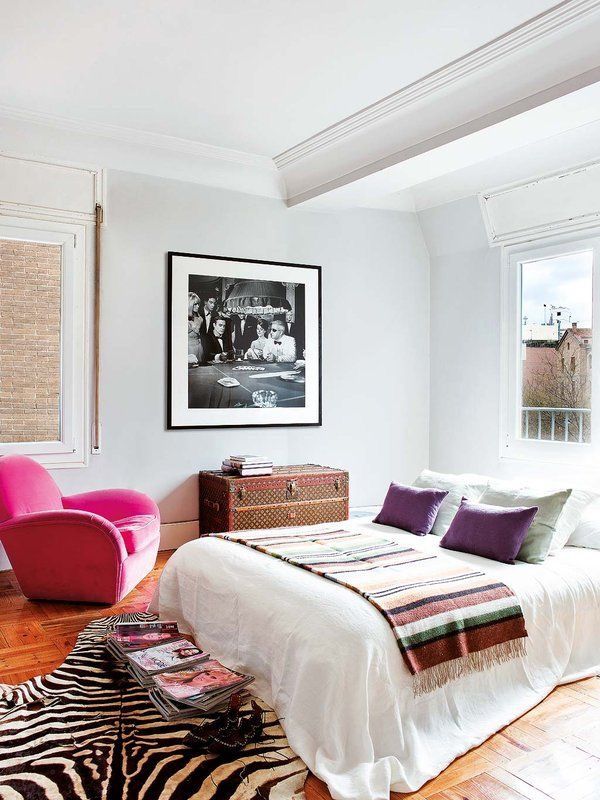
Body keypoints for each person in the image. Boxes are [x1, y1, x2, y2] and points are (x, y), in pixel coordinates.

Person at [188, 292, 203, 365]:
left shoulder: (200, 319)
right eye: (195, 304)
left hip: (198, 347)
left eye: (198, 304)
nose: (198, 306)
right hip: (188, 348)